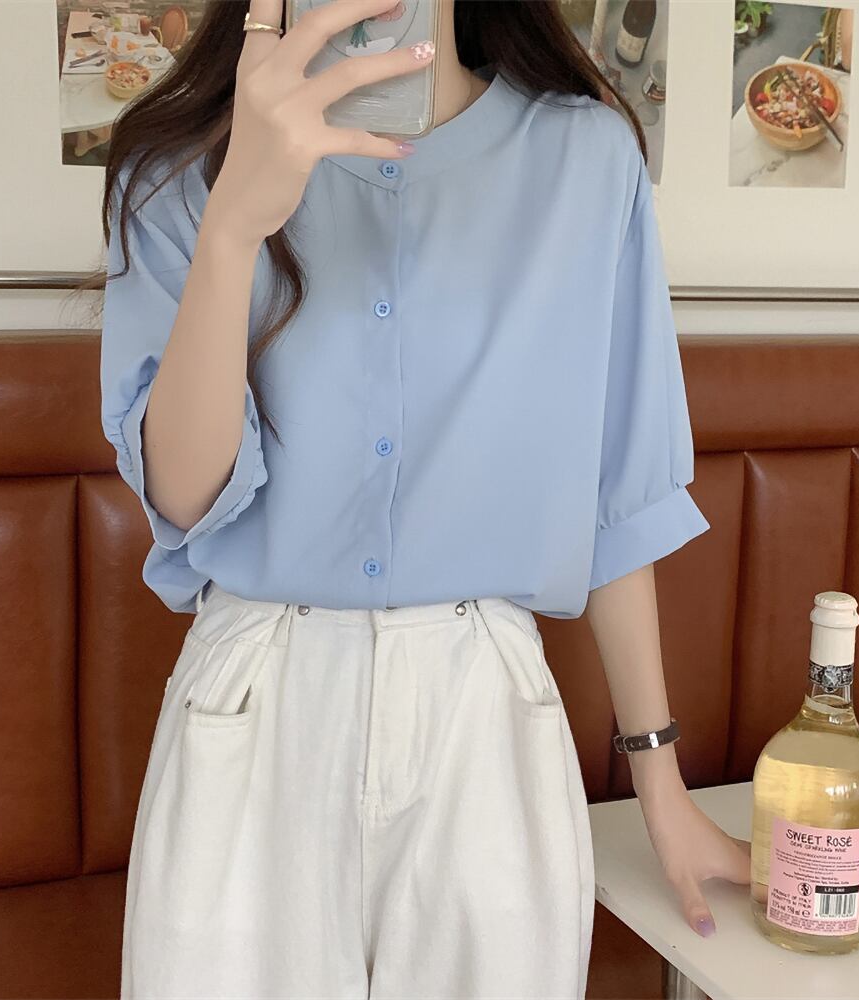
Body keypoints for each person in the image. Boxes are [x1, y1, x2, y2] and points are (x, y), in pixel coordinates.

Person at [98, 0, 751, 996]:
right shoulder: (177, 167)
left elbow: (617, 498)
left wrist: (659, 787)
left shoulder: (586, 161)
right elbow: (185, 497)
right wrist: (235, 222)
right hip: (254, 707)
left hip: (483, 719)